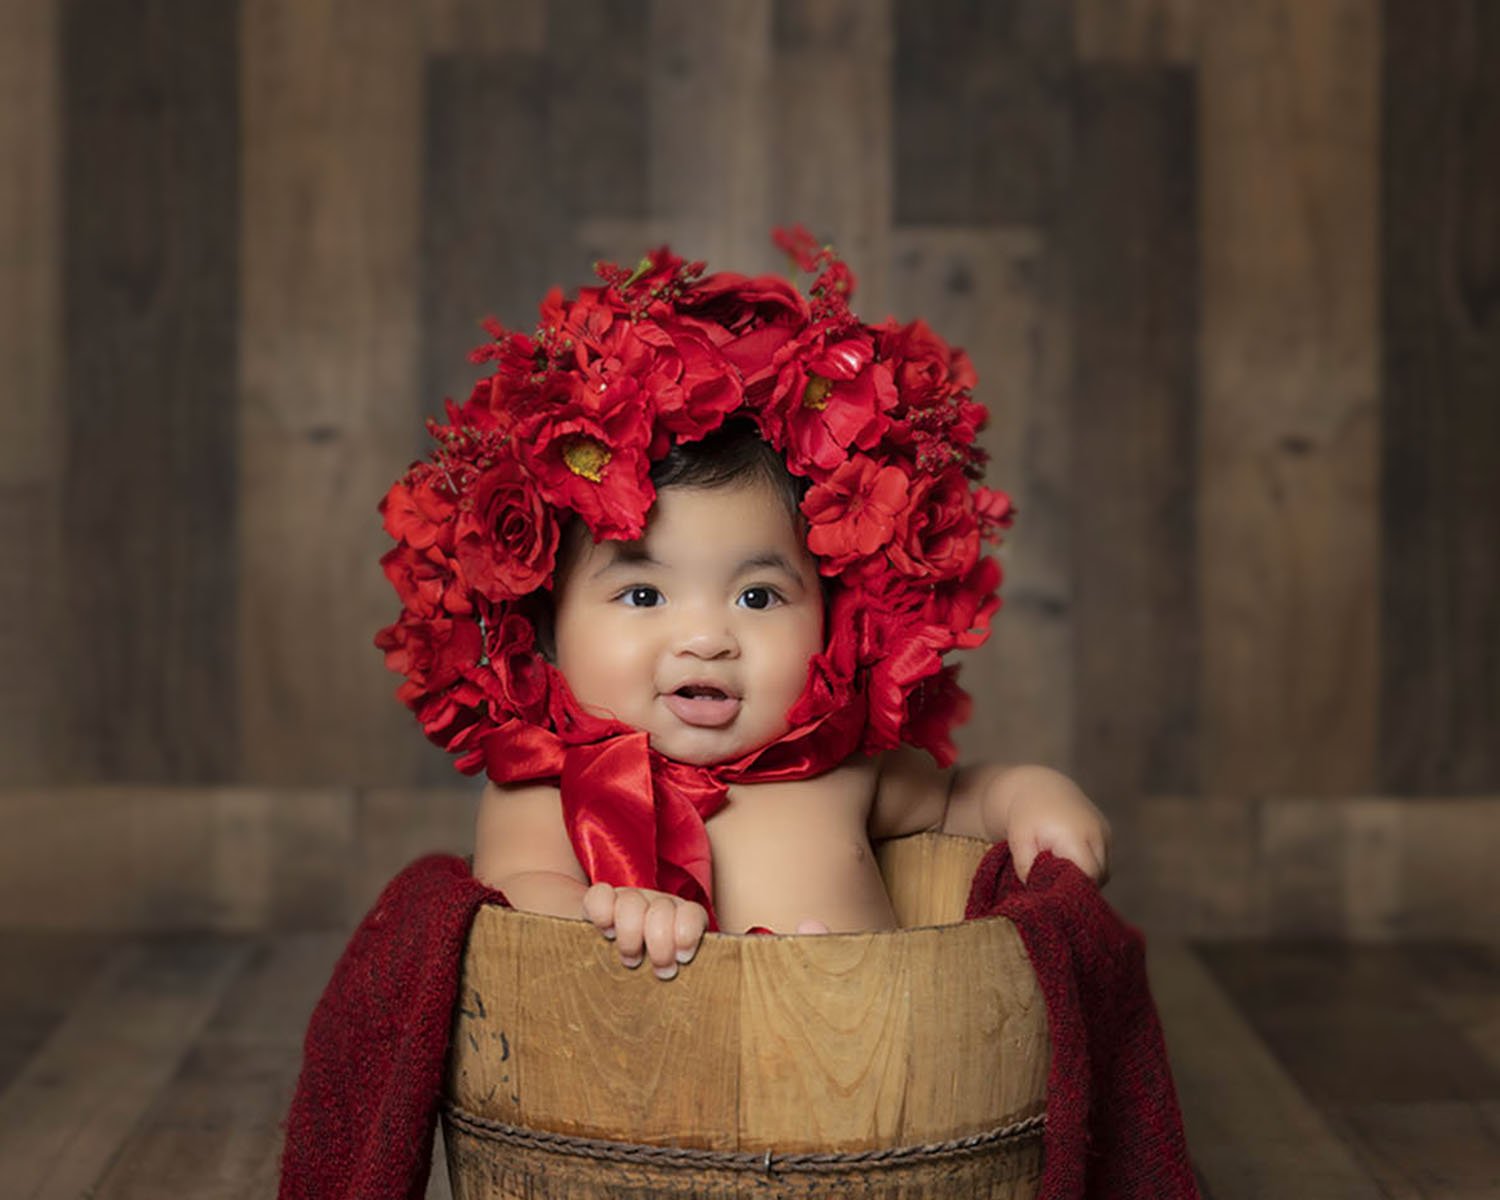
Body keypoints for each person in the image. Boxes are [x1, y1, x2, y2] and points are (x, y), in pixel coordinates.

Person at [375, 229, 1111, 986]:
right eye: (643, 594)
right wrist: (618, 915)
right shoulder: (544, 790)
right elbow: (523, 919)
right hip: (655, 1092)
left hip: (872, 1090)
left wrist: (1030, 796)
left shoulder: (841, 769)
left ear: (834, 610)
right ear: (546, 622)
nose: (706, 638)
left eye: (757, 596)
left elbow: (961, 800)